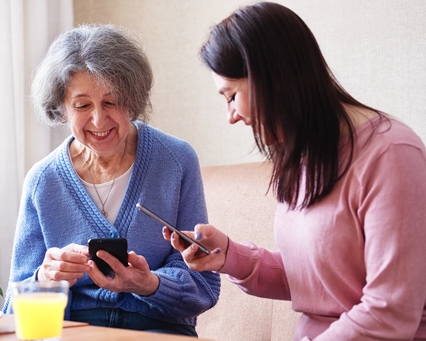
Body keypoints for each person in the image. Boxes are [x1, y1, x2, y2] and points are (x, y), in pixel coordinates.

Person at [164, 2, 426, 340]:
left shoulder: (392, 155)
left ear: (269, 79)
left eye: (231, 96)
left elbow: (390, 311)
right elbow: (321, 279)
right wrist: (229, 256)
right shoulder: (305, 153)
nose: (230, 115)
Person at [2, 24, 220, 336]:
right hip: (75, 331)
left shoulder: (175, 160)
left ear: (132, 99)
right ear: (61, 109)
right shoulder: (43, 180)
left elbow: (204, 285)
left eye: (111, 101)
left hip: (156, 331)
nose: (98, 120)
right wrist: (45, 280)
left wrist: (149, 284)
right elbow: (14, 310)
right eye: (82, 105)